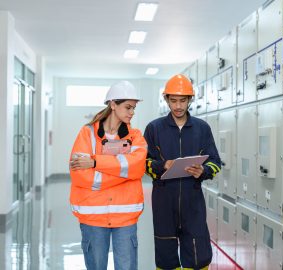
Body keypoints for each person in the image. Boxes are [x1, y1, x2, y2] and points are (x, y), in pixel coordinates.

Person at [144, 74, 221, 270]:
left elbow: (216, 162)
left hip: (192, 200)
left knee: (198, 255)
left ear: (190, 100)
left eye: (183, 101)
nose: (178, 106)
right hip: (164, 201)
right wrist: (163, 166)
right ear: (167, 100)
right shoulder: (154, 128)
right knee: (166, 256)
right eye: (174, 101)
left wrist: (203, 171)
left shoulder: (202, 128)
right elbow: (143, 163)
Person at [69, 81, 147, 270]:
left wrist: (96, 163)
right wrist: (123, 174)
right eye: (128, 107)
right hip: (92, 216)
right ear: (113, 104)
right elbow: (80, 175)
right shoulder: (86, 134)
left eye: (134, 108)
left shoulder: (135, 136)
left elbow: (137, 167)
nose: (132, 112)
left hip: (125, 217)